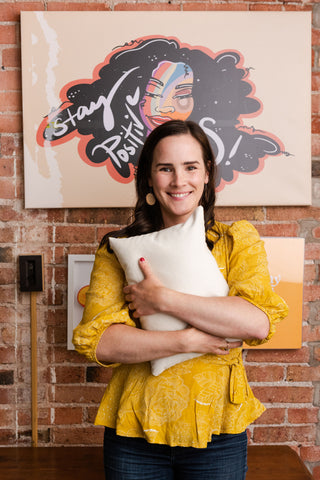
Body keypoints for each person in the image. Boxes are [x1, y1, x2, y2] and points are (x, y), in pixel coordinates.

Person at [73, 119, 288, 480]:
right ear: (149, 179)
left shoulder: (236, 241)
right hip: (136, 431)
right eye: (165, 168)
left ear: (207, 174)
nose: (178, 181)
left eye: (190, 167)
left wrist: (163, 300)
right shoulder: (119, 249)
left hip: (218, 430)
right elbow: (102, 342)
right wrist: (187, 340)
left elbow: (256, 322)